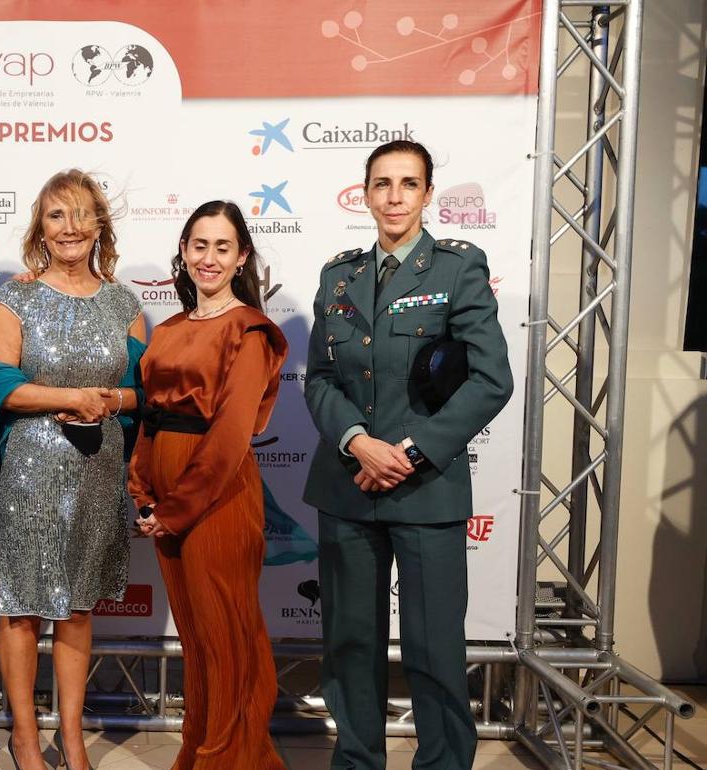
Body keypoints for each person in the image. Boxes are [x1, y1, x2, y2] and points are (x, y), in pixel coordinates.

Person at [302, 139, 514, 770]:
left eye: (407, 184)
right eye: (381, 184)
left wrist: (414, 452)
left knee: (433, 647)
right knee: (351, 642)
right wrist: (358, 443)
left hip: (427, 491)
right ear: (365, 194)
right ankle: (358, 760)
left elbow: (490, 379)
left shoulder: (457, 268)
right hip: (347, 485)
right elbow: (318, 379)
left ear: (426, 194)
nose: (394, 196)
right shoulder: (337, 275)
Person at [0, 169, 146, 770]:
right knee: (22, 605)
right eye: (57, 215)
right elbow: (0, 383)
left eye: (81, 214)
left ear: (99, 224)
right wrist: (70, 398)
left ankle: (71, 737)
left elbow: (138, 393)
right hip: (31, 468)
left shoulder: (124, 302)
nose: (70, 226)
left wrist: (108, 400)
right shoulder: (17, 297)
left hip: (98, 467)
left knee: (79, 607)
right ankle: (24, 737)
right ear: (41, 230)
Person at [129, 201, 288, 770]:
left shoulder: (249, 330)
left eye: (223, 247)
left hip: (217, 496)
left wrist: (174, 509)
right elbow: (151, 418)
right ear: (184, 252)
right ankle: (201, 749)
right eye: (200, 245)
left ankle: (228, 757)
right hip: (167, 496)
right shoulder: (168, 330)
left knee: (225, 634)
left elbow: (228, 438)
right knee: (196, 637)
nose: (210, 258)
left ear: (242, 255)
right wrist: (143, 492)